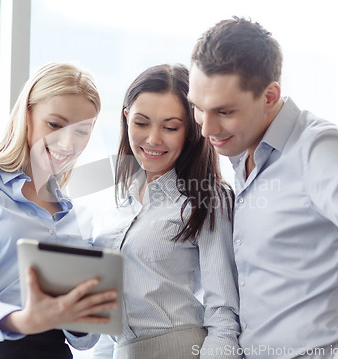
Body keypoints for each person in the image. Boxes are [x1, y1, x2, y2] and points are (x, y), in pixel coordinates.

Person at [188, 16, 338, 358]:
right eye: (198, 108)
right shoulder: (243, 153)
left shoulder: (319, 151)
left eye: (224, 111)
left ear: (270, 95)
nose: (206, 127)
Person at [0, 62, 118, 359]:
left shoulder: (79, 216)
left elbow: (85, 341)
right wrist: (21, 320)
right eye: (55, 124)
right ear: (27, 114)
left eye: (82, 131)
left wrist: (84, 312)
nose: (67, 143)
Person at [91, 64, 241, 359]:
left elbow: (223, 315)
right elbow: (108, 320)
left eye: (170, 127)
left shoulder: (207, 198)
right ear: (126, 118)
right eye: (141, 123)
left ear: (192, 130)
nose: (153, 139)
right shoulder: (120, 200)